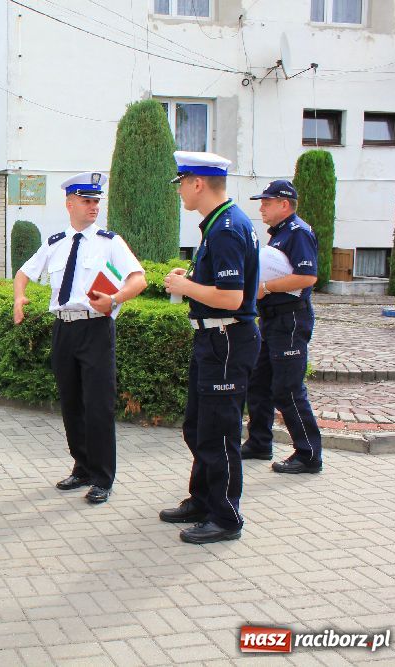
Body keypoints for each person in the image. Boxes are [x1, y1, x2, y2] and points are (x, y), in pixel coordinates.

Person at [13, 172, 146, 505]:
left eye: (96, 201)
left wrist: (116, 300)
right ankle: (82, 467)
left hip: (96, 328)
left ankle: (103, 477)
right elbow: (24, 273)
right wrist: (19, 297)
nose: (93, 207)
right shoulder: (55, 242)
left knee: (98, 405)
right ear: (69, 203)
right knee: (71, 403)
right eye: (87, 201)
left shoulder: (109, 242)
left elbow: (138, 279)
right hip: (64, 328)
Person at [161, 151, 262, 544]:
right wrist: (189, 280)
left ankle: (225, 517)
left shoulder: (226, 228)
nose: (181, 191)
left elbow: (233, 297)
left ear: (197, 183)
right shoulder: (221, 223)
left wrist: (185, 287)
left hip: (226, 338)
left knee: (218, 432)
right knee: (198, 425)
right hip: (214, 338)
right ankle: (203, 499)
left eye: (182, 182)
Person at [242, 180, 323, 473]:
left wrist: (265, 286)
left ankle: (309, 455)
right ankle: (259, 442)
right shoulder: (280, 235)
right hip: (273, 319)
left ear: (284, 204)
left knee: (287, 389)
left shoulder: (297, 233)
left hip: (290, 320)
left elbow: (307, 277)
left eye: (267, 202)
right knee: (258, 381)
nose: (261, 207)